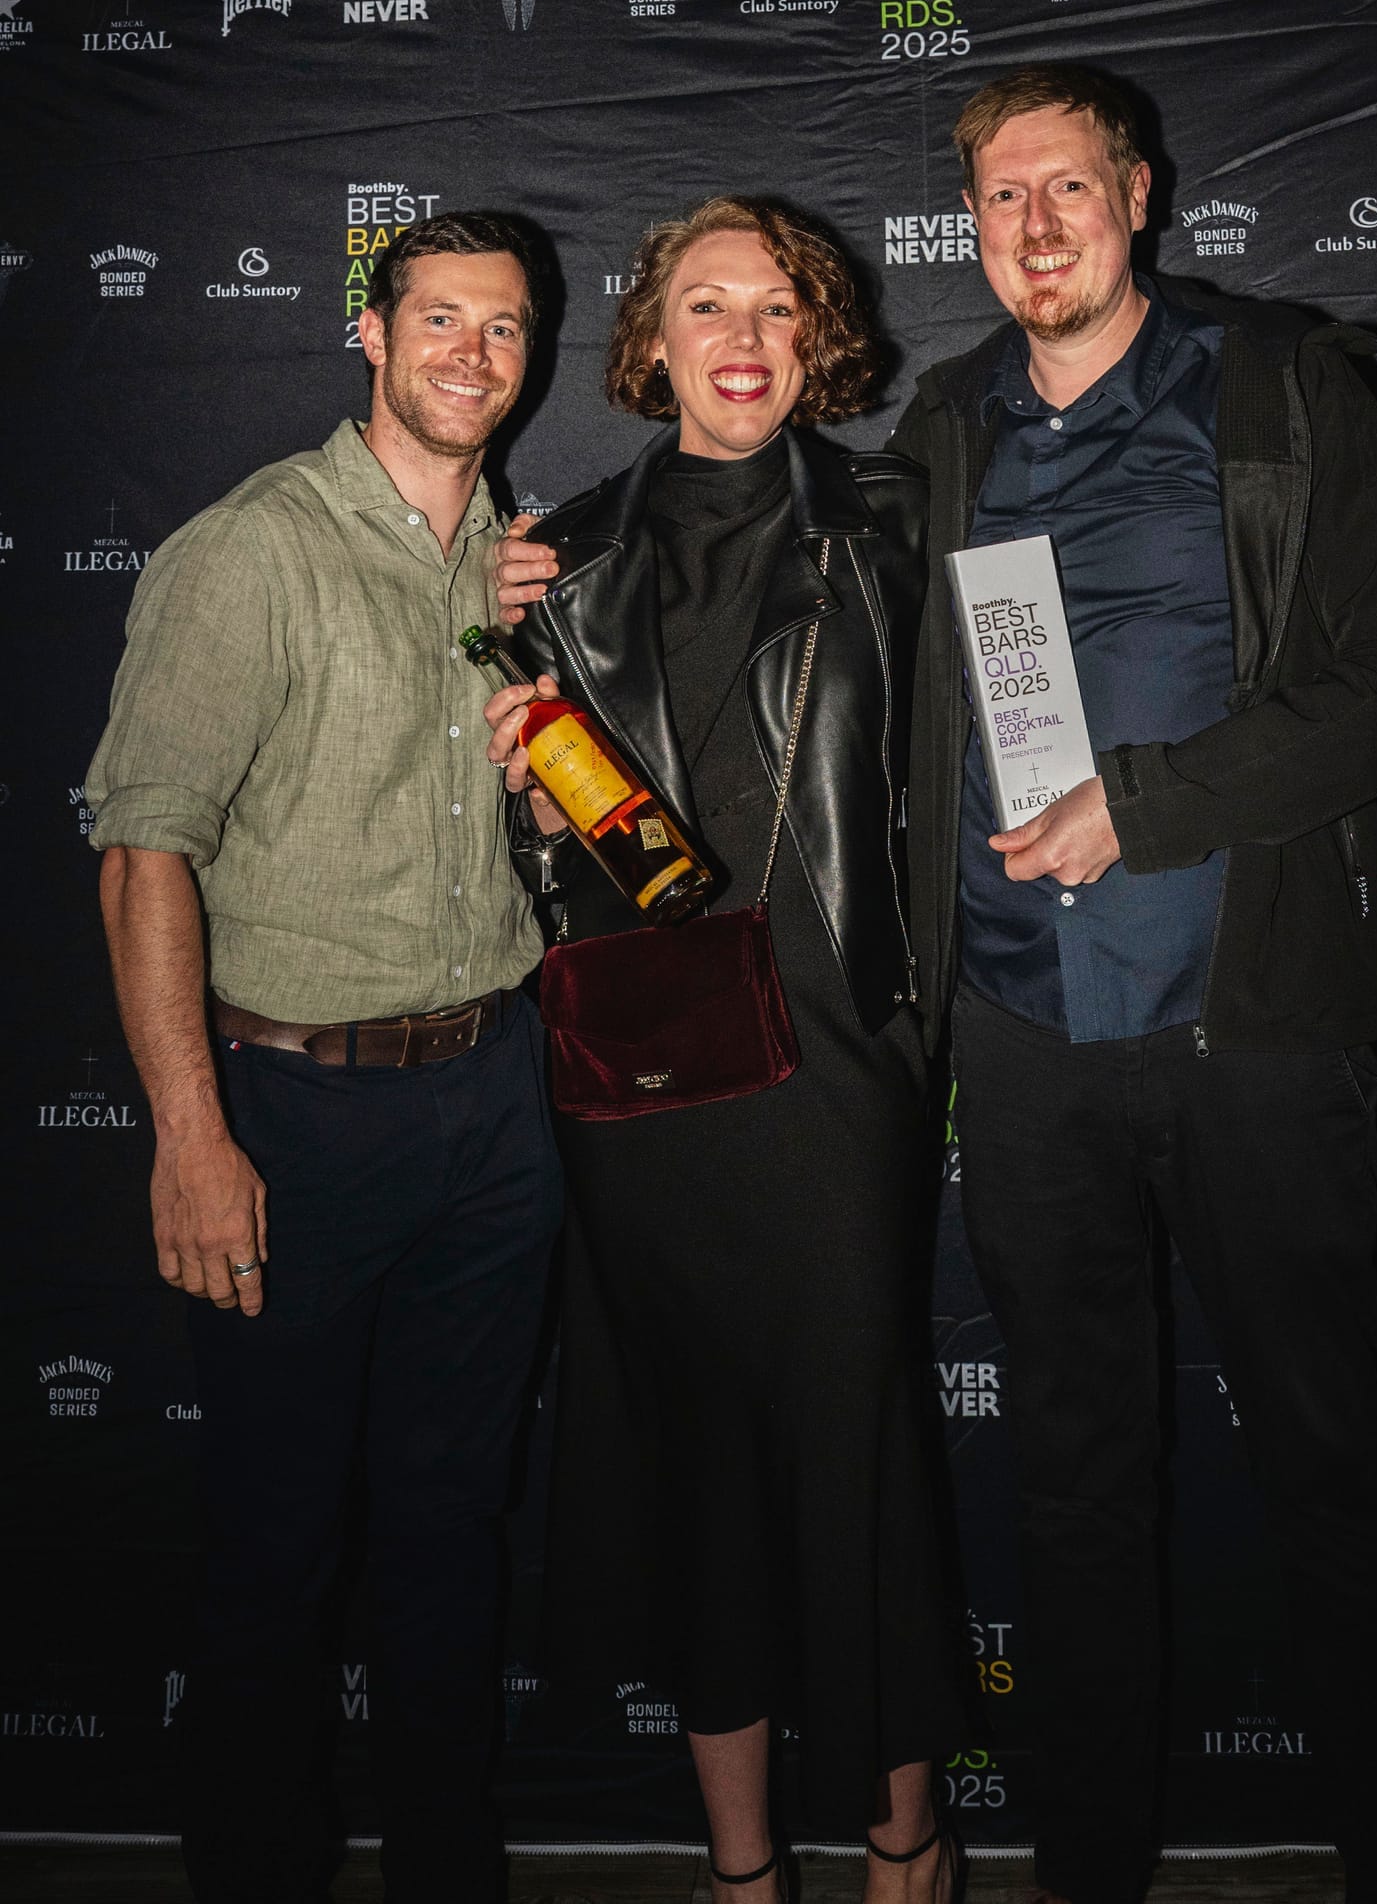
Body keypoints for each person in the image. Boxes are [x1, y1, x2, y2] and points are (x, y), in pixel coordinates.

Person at [889, 65, 1377, 1904]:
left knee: (1328, 1468)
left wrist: (1141, 810)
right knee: (1072, 1492)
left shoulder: (1287, 388)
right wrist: (557, 564)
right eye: (1003, 199)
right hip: (1025, 1039)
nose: (1037, 228)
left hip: (1257, 1033)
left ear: (1139, 197)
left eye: (1069, 189)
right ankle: (1090, 1874)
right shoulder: (941, 425)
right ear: (972, 225)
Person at [485, 196, 969, 1903]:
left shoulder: (897, 522)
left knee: (858, 1452)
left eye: (777, 305)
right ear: (653, 339)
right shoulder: (561, 560)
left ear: (816, 335)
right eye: (705, 304)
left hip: (839, 1061)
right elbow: (541, 853)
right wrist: (514, 773)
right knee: (694, 1463)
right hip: (647, 1077)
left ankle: (906, 1843)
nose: (742, 335)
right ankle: (744, 1873)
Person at [86, 212, 562, 1904]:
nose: (473, 357)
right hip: (293, 1112)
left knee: (452, 1531)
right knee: (275, 1553)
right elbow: (145, 854)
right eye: (441, 320)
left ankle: (450, 1872)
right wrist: (191, 1136)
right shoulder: (253, 552)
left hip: (497, 1103)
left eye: (505, 331)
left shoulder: (509, 554)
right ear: (371, 332)